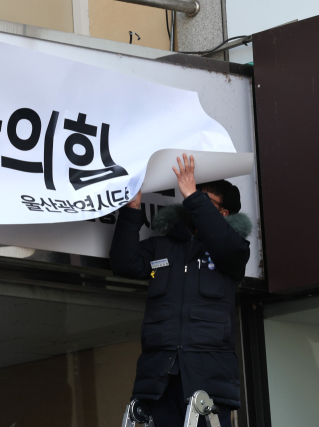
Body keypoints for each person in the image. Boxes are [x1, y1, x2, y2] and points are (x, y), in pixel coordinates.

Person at [110, 154, 252, 427]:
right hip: (161, 377)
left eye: (202, 200)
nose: (191, 203)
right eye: (190, 196)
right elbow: (125, 263)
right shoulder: (163, 247)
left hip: (207, 381)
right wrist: (132, 209)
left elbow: (227, 246)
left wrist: (190, 193)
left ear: (222, 213)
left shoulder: (232, 252)